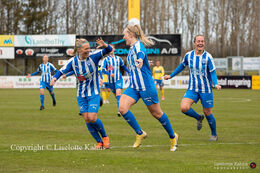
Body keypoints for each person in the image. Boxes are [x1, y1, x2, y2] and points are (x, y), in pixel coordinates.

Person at [118, 24, 179, 152]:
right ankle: (140, 133)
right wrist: (144, 62)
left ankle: (173, 137)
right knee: (122, 108)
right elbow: (139, 58)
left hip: (146, 86)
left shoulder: (138, 46)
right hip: (134, 86)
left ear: (131, 35)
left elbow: (140, 53)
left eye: (125, 34)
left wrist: (141, 59)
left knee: (156, 113)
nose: (123, 37)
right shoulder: (131, 49)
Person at [51, 38, 112, 149]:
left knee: (92, 117)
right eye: (86, 49)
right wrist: (54, 79)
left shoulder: (94, 56)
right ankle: (99, 142)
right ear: (79, 50)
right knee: (87, 119)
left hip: (93, 92)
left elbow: (109, 50)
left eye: (89, 48)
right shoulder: (73, 62)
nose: (88, 50)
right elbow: (61, 71)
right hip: (81, 95)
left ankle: (105, 137)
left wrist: (105, 45)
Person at [164, 35, 221, 141]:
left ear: (204, 43)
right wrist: (171, 75)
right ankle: (198, 117)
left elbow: (212, 72)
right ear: (194, 43)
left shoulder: (208, 57)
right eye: (198, 41)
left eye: (202, 41)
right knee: (184, 108)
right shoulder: (188, 55)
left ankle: (214, 134)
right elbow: (181, 66)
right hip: (192, 88)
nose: (200, 43)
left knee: (207, 112)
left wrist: (216, 83)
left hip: (206, 89)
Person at [102, 44, 130, 117]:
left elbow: (123, 66)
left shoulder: (118, 58)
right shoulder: (106, 59)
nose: (111, 49)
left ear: (114, 49)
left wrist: (129, 72)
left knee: (118, 94)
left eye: (112, 48)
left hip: (118, 79)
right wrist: (108, 74)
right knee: (117, 97)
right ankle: (123, 107)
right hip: (110, 81)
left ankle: (120, 111)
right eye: (110, 48)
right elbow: (102, 69)